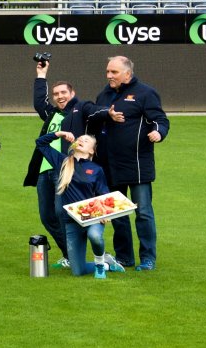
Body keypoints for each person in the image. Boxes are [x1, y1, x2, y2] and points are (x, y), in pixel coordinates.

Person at [84, 56, 168, 271]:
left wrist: (158, 132)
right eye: (108, 72)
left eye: (114, 72)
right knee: (117, 214)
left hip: (137, 165)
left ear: (127, 74)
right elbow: (93, 118)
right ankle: (125, 258)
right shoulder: (104, 94)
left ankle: (148, 259)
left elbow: (160, 119)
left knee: (143, 213)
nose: (109, 76)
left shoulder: (145, 93)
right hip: (110, 165)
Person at [36, 132, 123, 278]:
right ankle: (109, 264)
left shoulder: (96, 169)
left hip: (92, 217)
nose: (81, 140)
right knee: (78, 271)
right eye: (79, 139)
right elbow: (40, 143)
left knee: (94, 236)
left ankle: (100, 263)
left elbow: (105, 194)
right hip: (71, 221)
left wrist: (104, 214)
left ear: (92, 151)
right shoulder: (62, 161)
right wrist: (59, 134)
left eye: (86, 140)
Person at [25, 59, 87, 262]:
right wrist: (41, 75)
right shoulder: (52, 113)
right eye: (56, 94)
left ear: (72, 94)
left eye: (63, 93)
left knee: (62, 213)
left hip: (65, 170)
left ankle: (75, 254)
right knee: (47, 216)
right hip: (44, 170)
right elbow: (38, 103)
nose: (60, 97)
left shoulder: (78, 114)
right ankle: (69, 254)